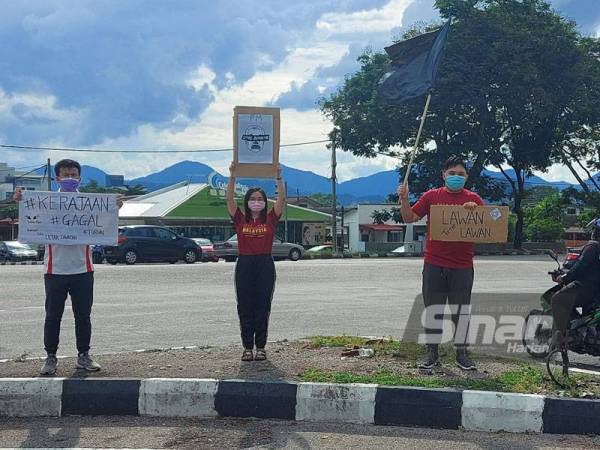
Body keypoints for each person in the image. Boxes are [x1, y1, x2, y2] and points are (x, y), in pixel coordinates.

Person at [13, 159, 123, 375]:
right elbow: (31, 221)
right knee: (53, 316)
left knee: (83, 316)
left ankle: (84, 356)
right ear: (57, 178)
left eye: (73, 175)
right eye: (66, 175)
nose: (70, 179)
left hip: (83, 269)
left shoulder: (90, 202)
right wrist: (20, 201)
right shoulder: (46, 202)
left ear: (79, 178)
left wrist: (114, 206)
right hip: (55, 270)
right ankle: (50, 357)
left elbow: (104, 223)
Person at [399, 156, 484, 371]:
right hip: (434, 263)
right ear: (443, 175)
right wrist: (404, 199)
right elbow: (409, 218)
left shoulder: (474, 199)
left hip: (463, 265)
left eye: (461, 174)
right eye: (452, 173)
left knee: (461, 311)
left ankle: (462, 353)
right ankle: (432, 354)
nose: (456, 177)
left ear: (467, 177)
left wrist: (477, 213)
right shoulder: (431, 196)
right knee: (433, 309)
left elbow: (488, 225)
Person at [226, 162, 285, 361]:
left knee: (262, 305)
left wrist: (278, 177)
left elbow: (281, 201)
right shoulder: (240, 219)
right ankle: (247, 348)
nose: (256, 201)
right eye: (253, 198)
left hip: (264, 265)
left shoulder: (270, 219)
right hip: (245, 264)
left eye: (260, 199)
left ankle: (260, 347)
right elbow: (229, 200)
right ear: (247, 201)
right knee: (244, 306)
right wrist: (232, 176)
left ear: (265, 202)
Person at [550, 217, 600, 350]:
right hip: (597, 292)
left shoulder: (593, 246)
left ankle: (561, 338)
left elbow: (580, 266)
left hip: (587, 287)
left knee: (557, 300)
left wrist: (563, 278)